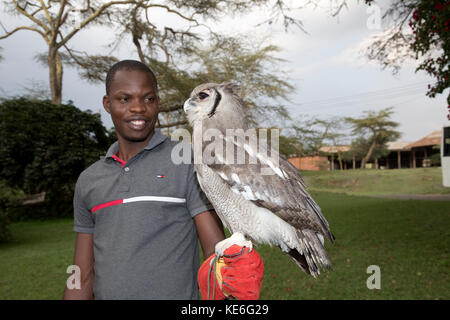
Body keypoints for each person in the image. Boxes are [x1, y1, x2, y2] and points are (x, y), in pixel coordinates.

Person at [63, 60, 226, 299]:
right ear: (108, 104)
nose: (138, 108)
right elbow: (81, 272)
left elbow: (216, 254)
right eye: (125, 99)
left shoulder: (187, 161)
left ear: (157, 103)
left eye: (148, 99)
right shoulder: (89, 180)